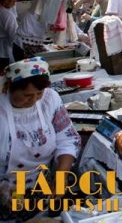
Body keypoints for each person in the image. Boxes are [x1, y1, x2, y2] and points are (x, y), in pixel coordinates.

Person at [0, 58, 80, 221]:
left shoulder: (49, 99)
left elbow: (67, 138)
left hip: (41, 189)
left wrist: (61, 175)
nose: (34, 100)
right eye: (27, 95)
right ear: (9, 88)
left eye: (39, 93)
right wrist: (2, 189)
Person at [0, 0, 21, 70]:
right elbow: (14, 36)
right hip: (2, 51)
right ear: (6, 0)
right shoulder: (7, 15)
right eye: (14, 1)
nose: (14, 4)